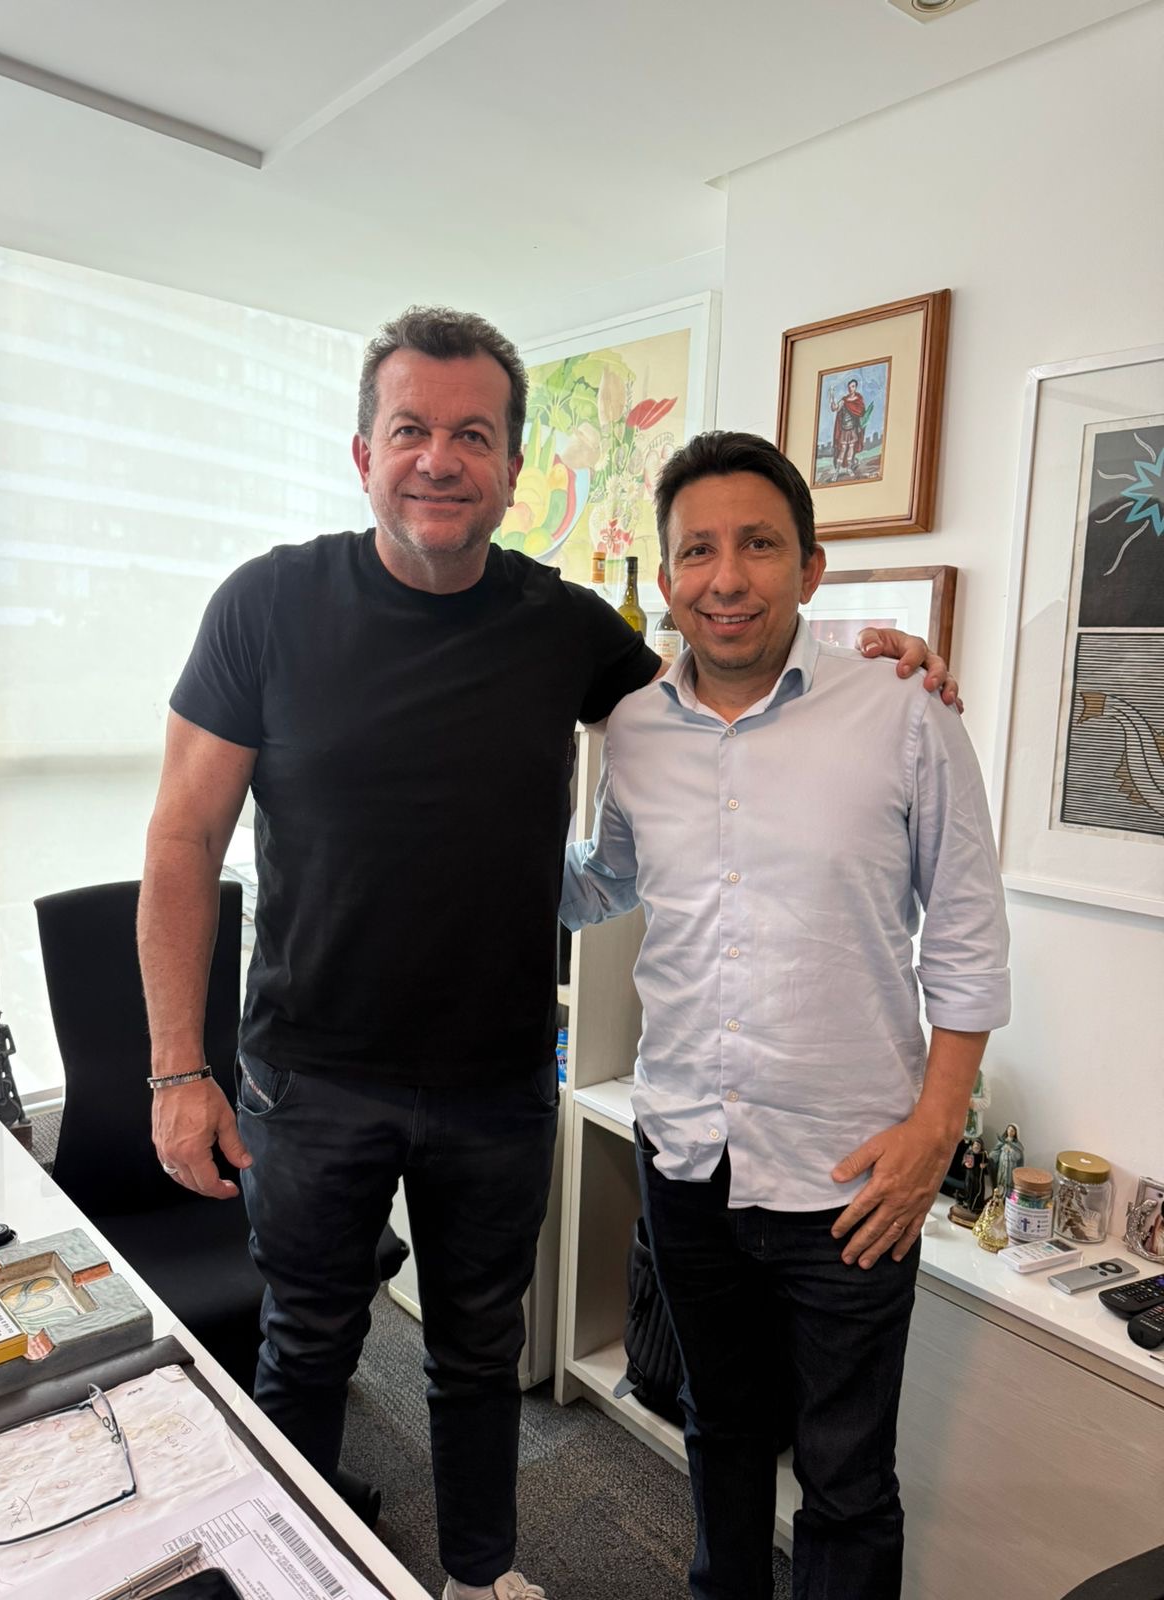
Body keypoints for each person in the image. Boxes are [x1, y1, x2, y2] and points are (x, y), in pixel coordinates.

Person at [139, 310, 958, 1600]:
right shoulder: (267, 605)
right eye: (411, 429)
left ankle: (480, 1578)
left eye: (473, 434)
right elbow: (183, 835)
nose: (440, 458)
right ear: (364, 453)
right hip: (311, 1074)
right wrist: (175, 1067)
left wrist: (872, 652)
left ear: (513, 468)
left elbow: (721, 677)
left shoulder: (564, 628)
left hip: (497, 1083)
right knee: (308, 1349)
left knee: (479, 1354)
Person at [561, 429, 1010, 1600]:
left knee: (847, 1480)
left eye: (758, 545)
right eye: (698, 550)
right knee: (718, 1432)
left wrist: (935, 1132)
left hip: (852, 1177)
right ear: (668, 578)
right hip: (688, 1157)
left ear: (810, 566)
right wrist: (465, 816)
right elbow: (602, 885)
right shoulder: (637, 728)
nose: (727, 577)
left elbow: (967, 937)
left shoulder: (905, 711)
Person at [830, 377, 867, 476]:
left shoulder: (859, 399)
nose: (851, 389)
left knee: (851, 448)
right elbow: (834, 408)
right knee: (843, 449)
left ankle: (849, 469)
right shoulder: (844, 400)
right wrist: (832, 396)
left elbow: (861, 412)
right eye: (849, 387)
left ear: (855, 387)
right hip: (844, 429)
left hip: (853, 429)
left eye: (853, 386)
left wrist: (860, 425)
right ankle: (837, 472)